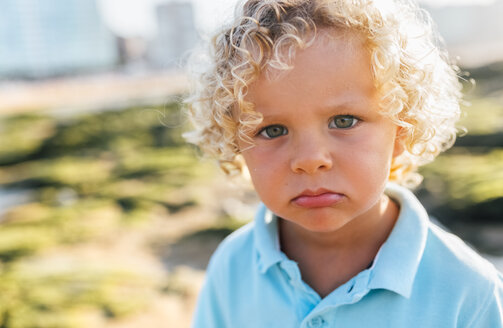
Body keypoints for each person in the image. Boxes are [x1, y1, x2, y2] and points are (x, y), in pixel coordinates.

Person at [184, 0, 503, 327]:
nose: (309, 160)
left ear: (402, 129)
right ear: (235, 141)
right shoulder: (233, 266)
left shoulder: (468, 294)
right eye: (273, 130)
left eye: (344, 121)